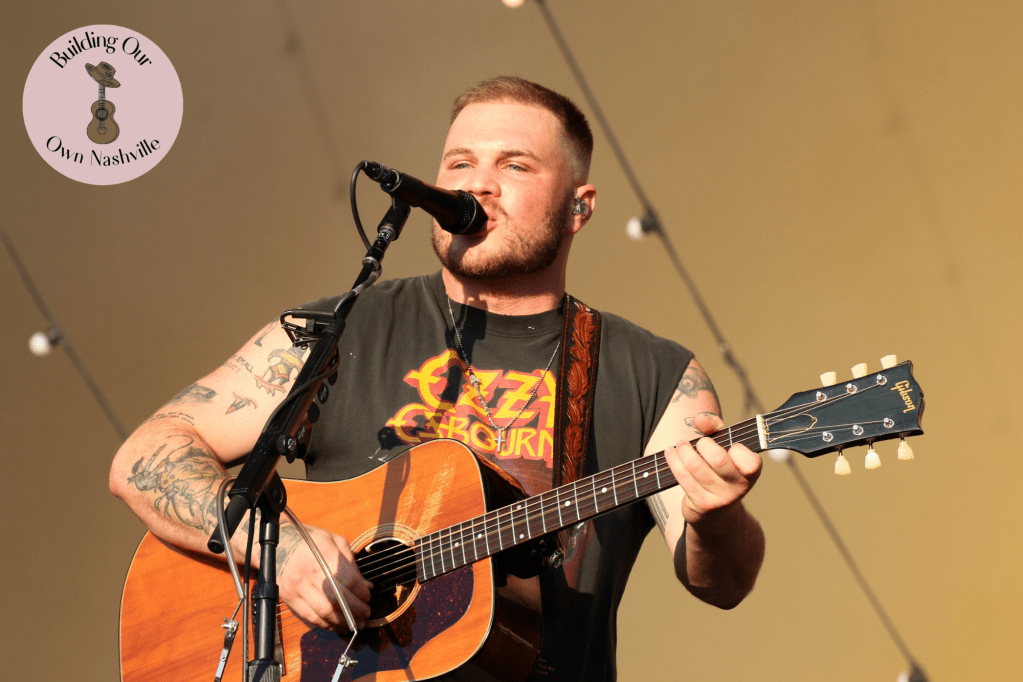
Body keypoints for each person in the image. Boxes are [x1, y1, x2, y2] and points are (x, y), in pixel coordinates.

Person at [110, 76, 764, 681]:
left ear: (578, 206)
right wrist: (281, 549)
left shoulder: (653, 373)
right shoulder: (342, 330)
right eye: (459, 164)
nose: (478, 185)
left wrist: (715, 517)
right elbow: (145, 456)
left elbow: (725, 584)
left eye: (514, 165)